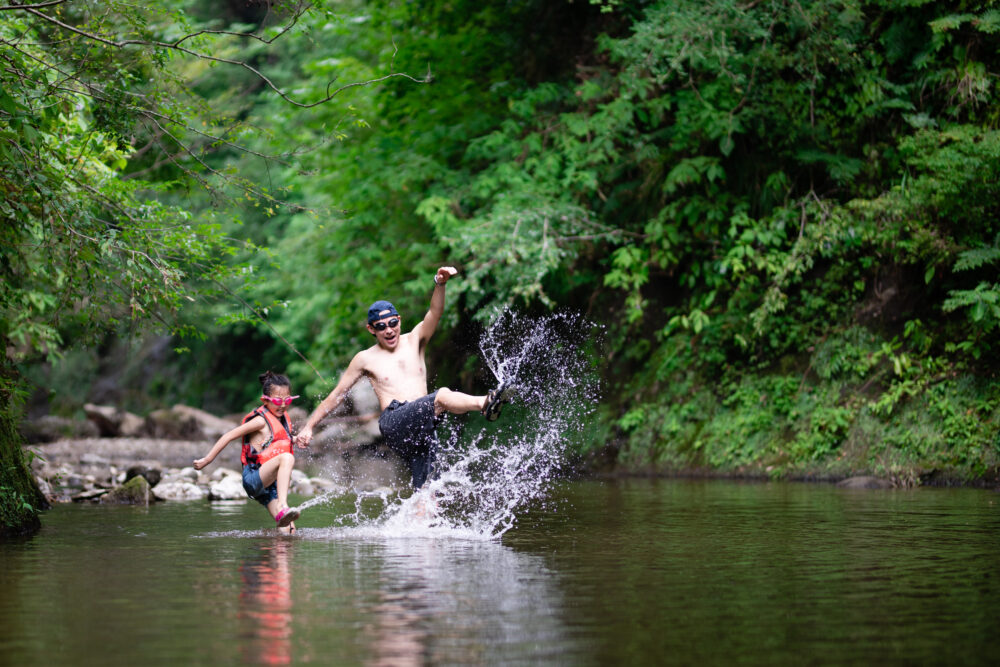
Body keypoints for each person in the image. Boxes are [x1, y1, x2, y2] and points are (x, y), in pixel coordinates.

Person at [295, 266, 514, 489]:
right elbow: (337, 395)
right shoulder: (364, 358)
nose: (389, 330)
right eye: (381, 327)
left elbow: (435, 312)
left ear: (399, 320)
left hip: (423, 423)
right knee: (441, 397)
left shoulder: (415, 340)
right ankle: (485, 403)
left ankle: (418, 511)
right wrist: (309, 426)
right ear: (371, 329)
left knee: (427, 490)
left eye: (393, 323)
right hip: (395, 421)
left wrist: (440, 283)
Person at [194, 371, 301, 533]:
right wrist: (207, 460)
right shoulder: (260, 421)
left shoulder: (283, 419)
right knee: (287, 458)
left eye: (287, 400)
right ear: (265, 400)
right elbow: (229, 435)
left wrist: (296, 439)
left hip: (268, 486)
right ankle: (282, 504)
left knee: (290, 530)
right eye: (278, 401)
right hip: (254, 478)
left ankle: (277, 547)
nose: (283, 405)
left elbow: (277, 443)